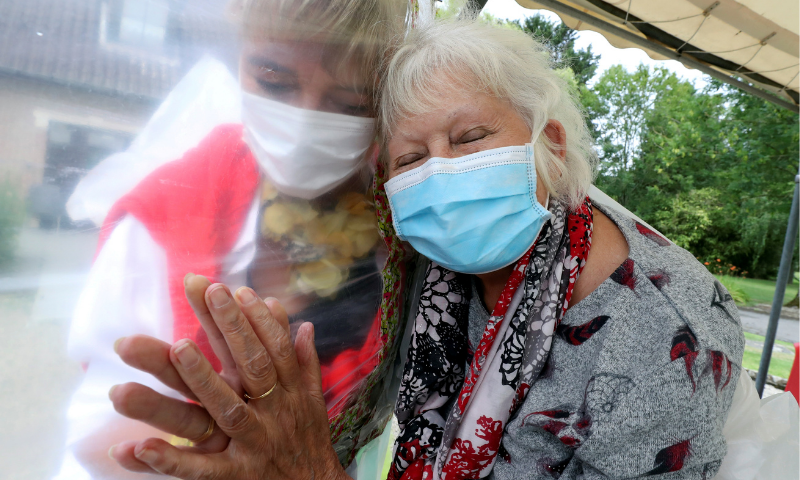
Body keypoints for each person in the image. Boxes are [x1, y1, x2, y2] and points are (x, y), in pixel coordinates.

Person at [105, 15, 754, 480]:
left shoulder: (672, 347)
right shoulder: (433, 271)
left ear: (550, 144)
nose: (440, 175)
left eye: (470, 137)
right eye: (412, 157)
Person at [56, 1, 407, 478]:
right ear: (238, 58)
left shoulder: (408, 221)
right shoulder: (166, 213)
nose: (303, 123)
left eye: (350, 105)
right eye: (274, 81)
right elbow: (101, 427)